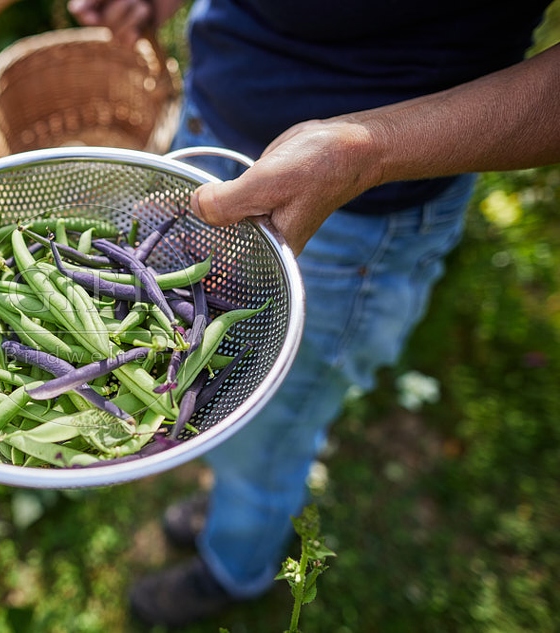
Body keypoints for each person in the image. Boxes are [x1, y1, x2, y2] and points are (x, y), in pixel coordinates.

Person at [68, 0, 560, 627]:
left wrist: (369, 151)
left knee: (271, 430)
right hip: (210, 138)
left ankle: (236, 566)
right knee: (207, 381)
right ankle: (228, 501)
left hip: (347, 207)